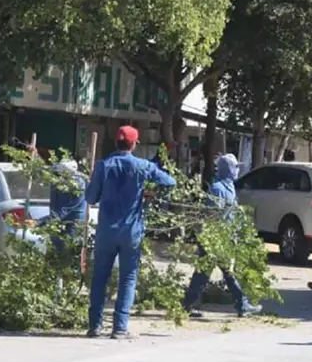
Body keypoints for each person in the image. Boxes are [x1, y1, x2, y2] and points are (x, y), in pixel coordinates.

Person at [86, 125, 176, 339]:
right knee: (127, 278)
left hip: (106, 231)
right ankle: (119, 327)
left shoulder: (102, 166)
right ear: (134, 144)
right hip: (131, 231)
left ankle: (95, 326)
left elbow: (90, 198)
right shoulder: (142, 166)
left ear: (116, 143)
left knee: (100, 278)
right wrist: (148, 193)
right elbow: (170, 182)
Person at [181, 154, 263, 318]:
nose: (238, 170)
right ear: (229, 169)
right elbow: (211, 215)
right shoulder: (218, 188)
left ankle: (188, 305)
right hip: (215, 239)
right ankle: (242, 305)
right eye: (235, 167)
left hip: (223, 238)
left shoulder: (229, 186)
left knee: (212, 273)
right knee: (214, 273)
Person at [48, 159, 88, 253]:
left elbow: (64, 209)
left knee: (67, 251)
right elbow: (43, 171)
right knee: (55, 248)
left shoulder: (78, 185)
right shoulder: (59, 181)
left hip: (73, 222)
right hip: (59, 219)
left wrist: (40, 222)